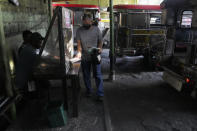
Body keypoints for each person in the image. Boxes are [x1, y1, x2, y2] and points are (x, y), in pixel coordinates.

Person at [76, 13, 104, 101]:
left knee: (98, 75)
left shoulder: (96, 29)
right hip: (85, 56)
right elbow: (79, 43)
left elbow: (100, 41)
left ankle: (100, 93)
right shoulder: (79, 30)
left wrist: (100, 48)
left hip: (96, 55)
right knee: (86, 75)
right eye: (84, 22)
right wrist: (79, 52)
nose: (86, 24)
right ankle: (89, 91)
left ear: (91, 21)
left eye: (87, 22)